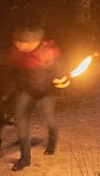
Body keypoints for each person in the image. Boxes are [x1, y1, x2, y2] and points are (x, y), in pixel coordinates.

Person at [8, 27, 61, 171]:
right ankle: (25, 159)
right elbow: (13, 71)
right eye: (17, 41)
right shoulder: (17, 53)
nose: (17, 44)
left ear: (33, 42)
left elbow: (58, 71)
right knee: (22, 124)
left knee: (50, 118)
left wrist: (61, 79)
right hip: (26, 92)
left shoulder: (46, 53)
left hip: (45, 93)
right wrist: (9, 89)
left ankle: (52, 143)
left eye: (21, 42)